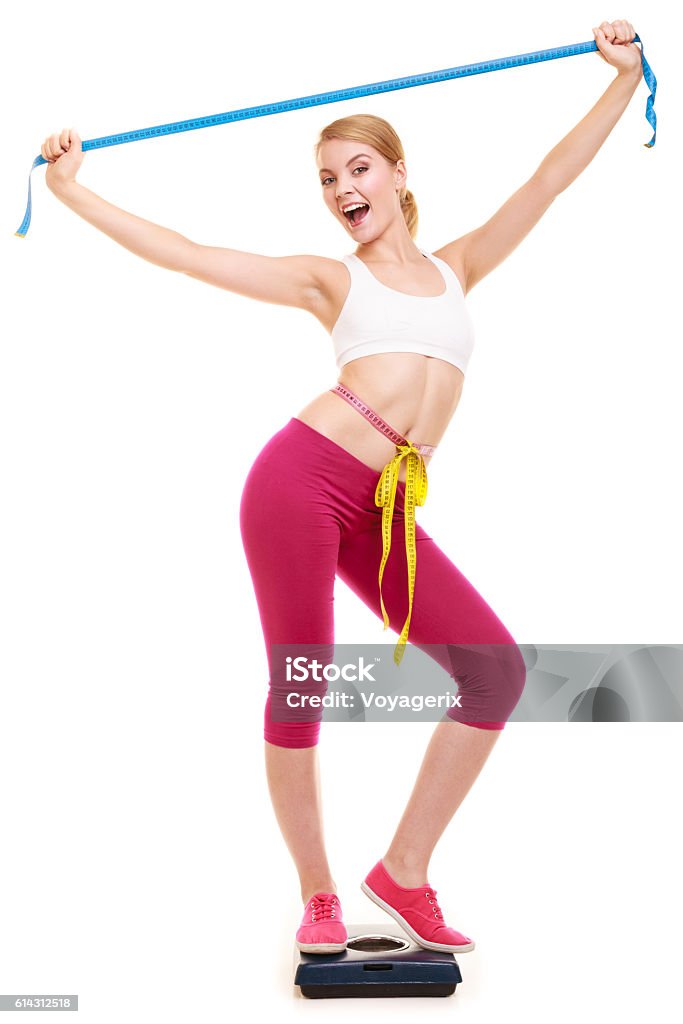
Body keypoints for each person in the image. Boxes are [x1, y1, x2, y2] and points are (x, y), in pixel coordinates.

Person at [41, 18, 643, 957]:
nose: (341, 191)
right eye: (326, 180)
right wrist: (75, 193)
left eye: (357, 169)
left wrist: (622, 79)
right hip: (300, 482)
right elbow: (190, 253)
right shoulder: (332, 281)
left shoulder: (458, 268)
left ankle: (402, 872)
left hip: (385, 511)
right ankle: (316, 898)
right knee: (303, 687)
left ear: (398, 175)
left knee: (494, 671)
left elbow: (548, 179)